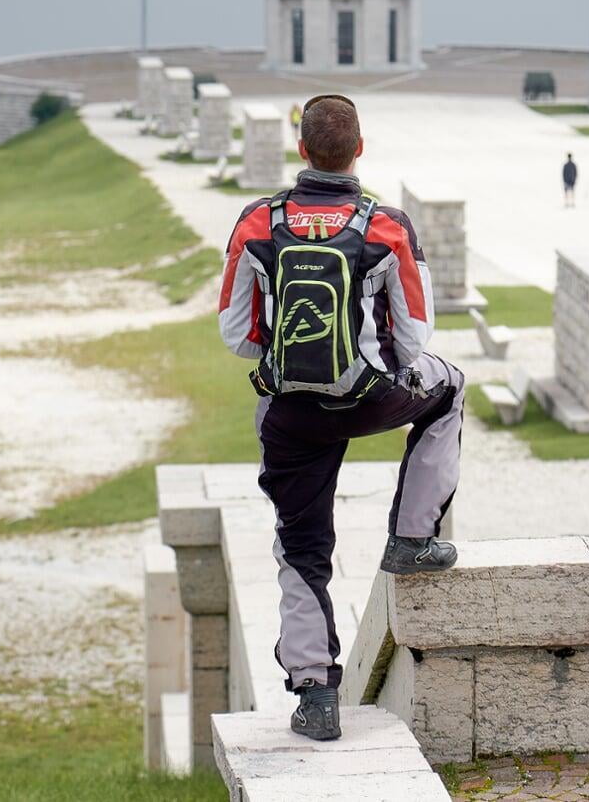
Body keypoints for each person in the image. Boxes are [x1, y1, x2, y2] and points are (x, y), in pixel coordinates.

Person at [218, 94, 463, 743]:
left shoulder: (256, 224)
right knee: (448, 388)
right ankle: (411, 540)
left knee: (300, 547)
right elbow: (413, 341)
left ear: (301, 150)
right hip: (367, 400)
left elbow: (237, 337)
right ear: (359, 150)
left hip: (289, 415)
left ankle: (315, 695)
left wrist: (291, 349)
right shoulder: (386, 228)